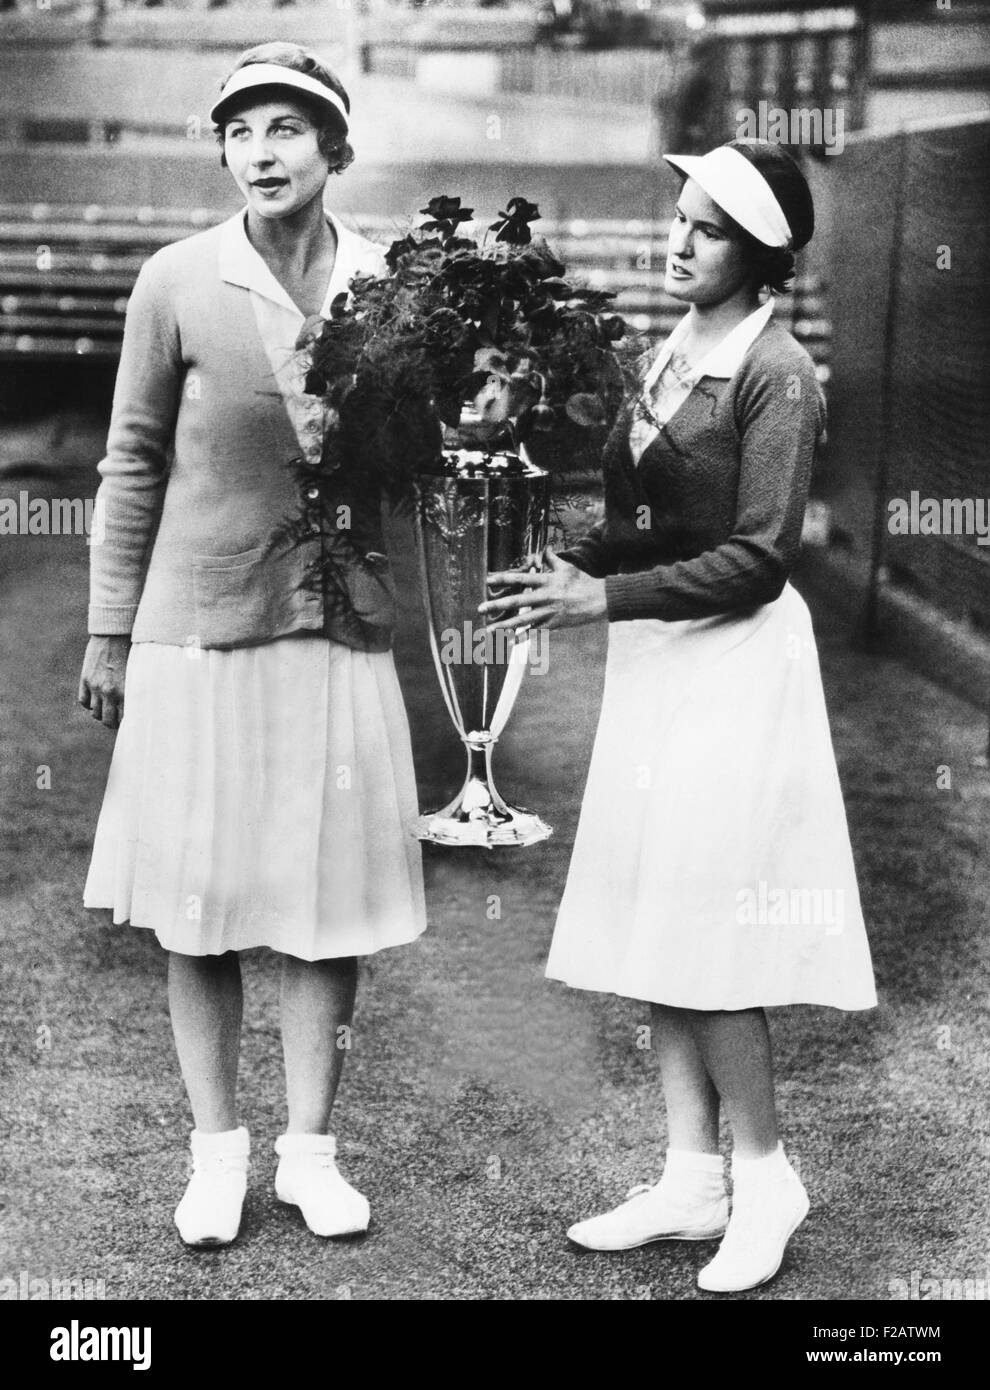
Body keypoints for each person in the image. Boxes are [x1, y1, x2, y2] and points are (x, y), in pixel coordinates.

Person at [481, 140, 877, 1294]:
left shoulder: (778, 370)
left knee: (710, 930)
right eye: (679, 216)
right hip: (662, 661)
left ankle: (766, 1176)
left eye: (706, 227)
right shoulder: (671, 349)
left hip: (738, 665)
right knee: (662, 915)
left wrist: (603, 595)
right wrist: (563, 565)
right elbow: (649, 524)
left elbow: (758, 557)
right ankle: (689, 1174)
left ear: (760, 254)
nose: (677, 237)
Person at [79, 42, 427, 1248]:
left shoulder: (392, 286)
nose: (261, 151)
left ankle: (310, 1156)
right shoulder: (174, 280)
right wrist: (109, 628)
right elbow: (131, 462)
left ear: (335, 149)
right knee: (199, 903)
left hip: (333, 623)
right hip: (199, 628)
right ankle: (216, 1154)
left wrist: (460, 411)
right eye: (241, 131)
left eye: (287, 128)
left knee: (323, 903)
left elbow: (412, 462)